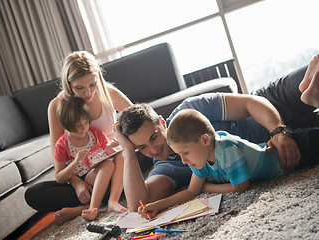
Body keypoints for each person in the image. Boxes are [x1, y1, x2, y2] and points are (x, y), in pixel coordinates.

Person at [114, 55, 319, 213]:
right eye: (142, 148)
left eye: (153, 137)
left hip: (273, 107)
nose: (154, 149)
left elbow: (250, 103)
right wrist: (128, 151)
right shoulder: (168, 166)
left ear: (161, 122)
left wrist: (278, 131)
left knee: (314, 78)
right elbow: (139, 204)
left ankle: (309, 94)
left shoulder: (190, 110)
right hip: (274, 151)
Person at [138, 109, 319, 218]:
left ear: (205, 140)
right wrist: (159, 205)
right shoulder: (199, 160)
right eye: (179, 154)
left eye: (185, 153)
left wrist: (209, 188)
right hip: (292, 163)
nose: (184, 161)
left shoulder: (226, 149)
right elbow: (192, 191)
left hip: (294, 151)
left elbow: (241, 187)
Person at [25, 51, 132, 225]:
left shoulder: (108, 93)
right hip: (84, 174)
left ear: (98, 77)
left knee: (126, 163)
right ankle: (100, 198)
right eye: (79, 88)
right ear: (68, 84)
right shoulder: (58, 106)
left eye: (92, 84)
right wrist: (76, 184)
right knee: (35, 193)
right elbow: (58, 159)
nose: (88, 92)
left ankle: (85, 207)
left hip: (116, 164)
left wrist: (121, 142)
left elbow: (139, 118)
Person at [55, 96, 121, 220]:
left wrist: (114, 147)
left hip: (106, 174)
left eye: (86, 122)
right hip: (87, 178)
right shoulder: (62, 145)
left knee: (117, 160)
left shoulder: (96, 134)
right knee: (108, 165)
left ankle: (87, 207)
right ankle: (93, 208)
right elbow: (59, 178)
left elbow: (112, 153)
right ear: (67, 126)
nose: (84, 128)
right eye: (78, 126)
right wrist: (75, 162)